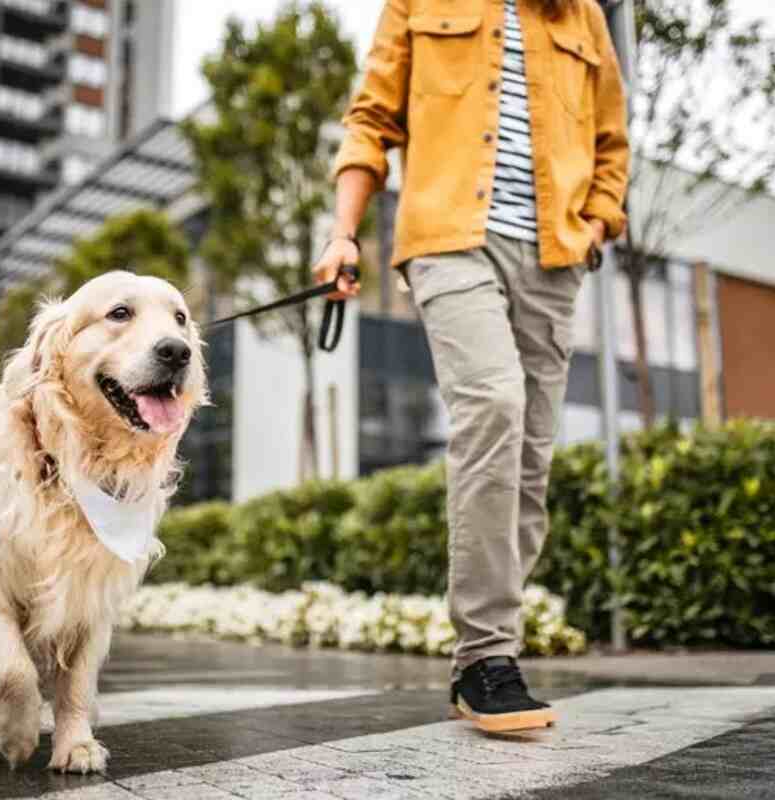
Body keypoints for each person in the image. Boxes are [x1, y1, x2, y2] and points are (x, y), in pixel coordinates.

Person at [315, 0, 630, 733]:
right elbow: (370, 120)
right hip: (449, 239)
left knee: (528, 462)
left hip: (553, 259)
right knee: (493, 406)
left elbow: (613, 142)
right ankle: (486, 657)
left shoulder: (582, 15)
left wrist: (594, 225)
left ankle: (486, 653)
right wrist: (343, 234)